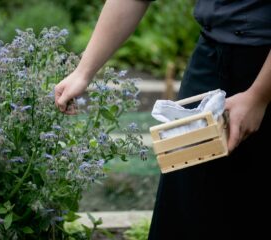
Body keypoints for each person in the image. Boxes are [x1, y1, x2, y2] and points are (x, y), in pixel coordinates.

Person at [54, 0, 271, 239]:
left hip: (262, 68)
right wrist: (83, 72)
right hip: (211, 57)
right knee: (182, 204)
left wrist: (258, 96)